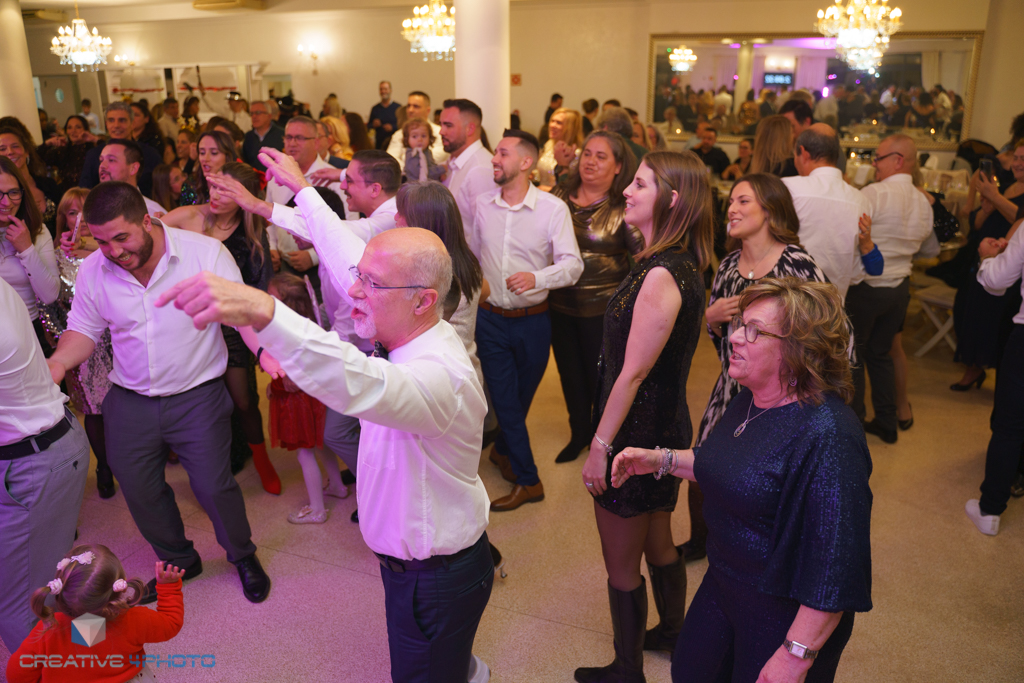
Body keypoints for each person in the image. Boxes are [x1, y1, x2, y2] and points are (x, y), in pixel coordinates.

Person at [157, 224, 494, 683]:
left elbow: (358, 381)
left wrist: (267, 312)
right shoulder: (413, 326)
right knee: (441, 661)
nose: (354, 290)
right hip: (417, 571)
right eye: (360, 275)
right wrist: (296, 199)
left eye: (371, 284)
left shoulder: (440, 376)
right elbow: (347, 255)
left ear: (423, 301)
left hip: (434, 579)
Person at [612, 278, 873, 683]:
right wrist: (661, 459)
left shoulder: (829, 434)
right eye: (739, 325)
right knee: (690, 670)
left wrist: (795, 657)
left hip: (780, 609)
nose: (734, 337)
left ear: (799, 349)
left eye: (754, 330)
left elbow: (836, 568)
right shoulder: (749, 398)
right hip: (724, 580)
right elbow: (727, 467)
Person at [47, 181, 271, 604]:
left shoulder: (205, 254)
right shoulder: (95, 268)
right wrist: (58, 362)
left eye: (122, 237)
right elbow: (83, 330)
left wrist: (267, 353)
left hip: (197, 395)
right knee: (140, 489)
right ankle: (180, 560)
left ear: (147, 221)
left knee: (213, 486)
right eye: (102, 241)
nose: (113, 251)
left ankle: (242, 554)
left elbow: (243, 314)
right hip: (129, 399)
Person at [574, 151, 712, 682]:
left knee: (620, 564)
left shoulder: (661, 273)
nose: (627, 191)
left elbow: (631, 374)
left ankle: (627, 670)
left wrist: (600, 447)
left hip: (635, 431)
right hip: (662, 424)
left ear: (671, 200)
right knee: (657, 535)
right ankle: (673, 632)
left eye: (639, 183)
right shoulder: (676, 261)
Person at [213, 148, 401, 520]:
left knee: (343, 432)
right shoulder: (369, 222)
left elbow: (328, 231)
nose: (343, 186)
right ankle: (371, 487)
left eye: (350, 180)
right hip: (362, 350)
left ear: (375, 189)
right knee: (354, 431)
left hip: (372, 352)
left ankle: (381, 496)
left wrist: (264, 203)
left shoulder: (383, 222)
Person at [684, 174, 841, 564]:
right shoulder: (727, 265)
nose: (731, 210)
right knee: (706, 460)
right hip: (732, 387)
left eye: (743, 201)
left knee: (769, 477)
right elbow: (721, 341)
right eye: (731, 202)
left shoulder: (796, 263)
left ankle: (761, 550)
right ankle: (701, 541)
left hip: (783, 393)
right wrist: (710, 318)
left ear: (770, 209)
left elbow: (831, 329)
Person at [471, 129, 583, 511]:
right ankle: (529, 480)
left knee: (520, 399)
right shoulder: (482, 205)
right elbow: (474, 257)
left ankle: (501, 450)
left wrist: (538, 278)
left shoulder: (553, 209)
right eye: (495, 153)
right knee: (505, 400)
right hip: (490, 320)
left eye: (502, 153)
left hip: (534, 322)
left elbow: (573, 265)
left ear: (525, 162)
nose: (494, 159)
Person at [161, 161, 281, 491]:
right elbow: (143, 235)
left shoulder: (253, 233)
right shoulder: (190, 216)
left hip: (233, 324)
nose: (215, 195)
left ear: (243, 196)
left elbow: (260, 288)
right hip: (193, 324)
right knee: (204, 401)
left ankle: (262, 460)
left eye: (225, 191)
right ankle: (213, 458)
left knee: (243, 400)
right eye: (214, 186)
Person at [0, 276, 91, 652]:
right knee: (51, 578)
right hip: (39, 449)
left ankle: (70, 666)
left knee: (21, 604)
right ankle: (94, 650)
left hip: (34, 460)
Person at [549, 132, 640, 464]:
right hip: (559, 304)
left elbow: (645, 260)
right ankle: (579, 434)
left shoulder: (624, 207)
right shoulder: (559, 195)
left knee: (601, 378)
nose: (590, 161)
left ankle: (603, 440)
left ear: (618, 166)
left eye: (601, 157)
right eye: (587, 153)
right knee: (569, 375)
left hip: (603, 311)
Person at [847, 134, 935, 444]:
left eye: (879, 158)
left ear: (898, 160)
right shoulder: (924, 202)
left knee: (854, 355)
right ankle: (886, 421)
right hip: (900, 290)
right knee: (881, 353)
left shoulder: (873, 193)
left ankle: (855, 424)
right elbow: (926, 248)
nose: (874, 163)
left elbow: (851, 235)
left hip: (868, 287)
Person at [7, 545, 183, 682]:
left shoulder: (49, 628)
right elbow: (170, 623)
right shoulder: (134, 618)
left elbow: (16, 672)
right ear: (118, 586)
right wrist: (169, 588)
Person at [42, 188, 118, 500]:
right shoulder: (55, 259)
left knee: (128, 407)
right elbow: (48, 307)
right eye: (74, 212)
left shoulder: (112, 253)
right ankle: (104, 467)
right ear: (64, 219)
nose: (82, 219)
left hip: (119, 342)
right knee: (95, 412)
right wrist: (62, 347)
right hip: (82, 348)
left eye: (87, 210)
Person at [264, 273, 345, 524]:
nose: (266, 299)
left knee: (304, 454)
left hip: (298, 402)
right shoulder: (307, 325)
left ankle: (317, 509)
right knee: (320, 444)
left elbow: (289, 374)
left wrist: (274, 385)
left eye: (272, 296)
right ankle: (338, 486)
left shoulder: (285, 332)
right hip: (314, 398)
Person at [950, 141, 1024, 390]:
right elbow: (978, 223)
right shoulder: (1006, 185)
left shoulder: (1001, 191)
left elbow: (1019, 218)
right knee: (966, 309)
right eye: (1016, 158)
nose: (1018, 163)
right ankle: (973, 366)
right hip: (982, 256)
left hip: (1006, 265)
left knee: (992, 320)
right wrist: (987, 207)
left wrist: (995, 197)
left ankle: (982, 371)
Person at [783, 125, 880, 299]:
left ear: (803, 153)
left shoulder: (786, 188)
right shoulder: (861, 201)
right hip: (833, 304)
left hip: (787, 300)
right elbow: (858, 273)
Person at [265, 116, 352, 275]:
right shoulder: (275, 176)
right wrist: (271, 247)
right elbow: (269, 216)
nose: (292, 143)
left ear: (316, 142)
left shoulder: (331, 177)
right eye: (288, 137)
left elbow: (350, 226)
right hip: (283, 265)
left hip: (325, 266)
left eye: (299, 138)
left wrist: (313, 256)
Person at [0, 156, 60, 353]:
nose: (6, 202)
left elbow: (49, 295)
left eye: (13, 192)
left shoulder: (37, 231)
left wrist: (26, 249)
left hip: (28, 331)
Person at [79, 102, 162, 197]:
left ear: (132, 124)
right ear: (106, 124)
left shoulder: (150, 154)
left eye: (122, 120)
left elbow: (161, 189)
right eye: (111, 120)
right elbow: (85, 192)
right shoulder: (94, 155)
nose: (116, 125)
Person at [440, 99, 495, 232]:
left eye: (448, 125)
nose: (441, 131)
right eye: (441, 125)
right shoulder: (454, 162)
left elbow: (486, 229)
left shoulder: (480, 169)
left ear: (469, 129)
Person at [0, 126, 61, 237]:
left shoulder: (48, 184)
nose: (10, 152)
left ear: (26, 151)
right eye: (2, 149)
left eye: (15, 146)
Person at [97, 140, 167, 218]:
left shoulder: (152, 213)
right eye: (101, 160)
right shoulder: (93, 208)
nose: (102, 165)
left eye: (111, 160)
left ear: (133, 168)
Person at [386, 91, 448, 164]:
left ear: (428, 110)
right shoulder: (399, 134)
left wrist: (403, 157)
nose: (410, 110)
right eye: (408, 106)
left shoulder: (440, 132)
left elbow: (432, 159)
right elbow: (390, 161)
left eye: (416, 106)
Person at [41, 115, 98, 194]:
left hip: (92, 197)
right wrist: (47, 143)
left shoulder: (94, 152)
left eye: (78, 127)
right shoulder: (62, 151)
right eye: (69, 127)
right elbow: (36, 159)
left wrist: (94, 139)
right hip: (69, 198)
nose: (73, 131)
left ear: (86, 130)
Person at [178, 130, 235, 207]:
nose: (205, 158)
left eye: (214, 153)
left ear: (228, 157)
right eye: (202, 153)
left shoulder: (239, 184)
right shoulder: (190, 185)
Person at [536, 108, 585, 189]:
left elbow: (573, 186)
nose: (552, 125)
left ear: (570, 128)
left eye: (559, 123)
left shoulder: (576, 153)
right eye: (552, 121)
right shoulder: (549, 145)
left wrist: (548, 190)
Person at [242, 100, 285, 173]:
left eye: (258, 113)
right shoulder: (248, 136)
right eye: (251, 114)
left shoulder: (282, 134)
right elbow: (245, 162)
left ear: (269, 115)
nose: (254, 116)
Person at [369, 80, 400, 150]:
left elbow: (402, 126)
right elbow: (369, 126)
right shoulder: (375, 108)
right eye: (381, 89)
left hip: (395, 144)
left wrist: (393, 127)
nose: (383, 91)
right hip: (379, 145)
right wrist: (374, 125)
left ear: (390, 90)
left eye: (385, 89)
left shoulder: (398, 108)